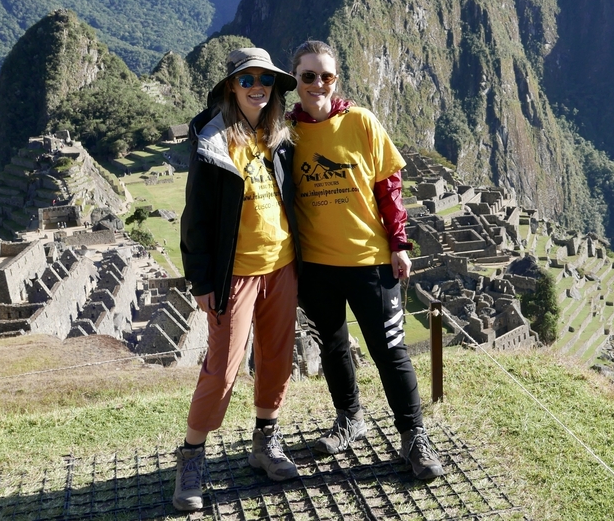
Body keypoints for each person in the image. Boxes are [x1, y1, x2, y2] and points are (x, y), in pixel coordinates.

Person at [287, 39, 444, 480]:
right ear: (295, 79)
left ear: (336, 79)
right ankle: (349, 418)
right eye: (308, 76)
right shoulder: (287, 134)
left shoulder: (361, 122)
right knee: (333, 348)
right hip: (315, 267)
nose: (318, 84)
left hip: (370, 262)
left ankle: (413, 435)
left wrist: (398, 244)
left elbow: (388, 186)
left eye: (327, 76)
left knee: (390, 350)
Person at [172, 47, 302, 511]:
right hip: (236, 276)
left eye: (264, 81)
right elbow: (196, 220)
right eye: (247, 80)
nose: (257, 88)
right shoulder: (213, 142)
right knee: (224, 366)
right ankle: (191, 456)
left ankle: (265, 441)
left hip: (282, 266)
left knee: (277, 358)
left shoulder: (278, 138)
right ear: (231, 86)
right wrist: (203, 282)